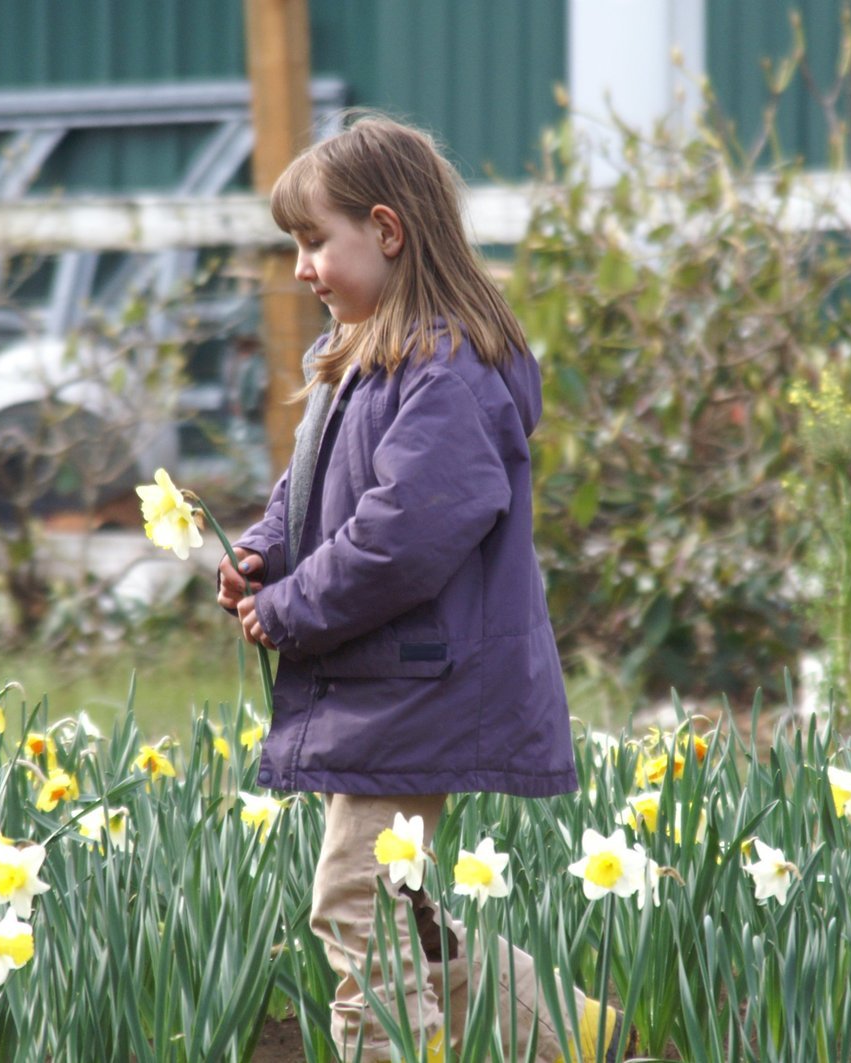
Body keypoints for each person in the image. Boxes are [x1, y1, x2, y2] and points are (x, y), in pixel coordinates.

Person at [216, 114, 621, 1063]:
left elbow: (400, 540)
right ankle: (567, 1029)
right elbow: (310, 487)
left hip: (417, 685)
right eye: (296, 246)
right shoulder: (365, 358)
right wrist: (264, 553)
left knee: (355, 907)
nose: (302, 268)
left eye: (316, 241)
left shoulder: (446, 373)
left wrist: (286, 609)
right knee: (397, 908)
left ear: (388, 231)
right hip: (382, 682)